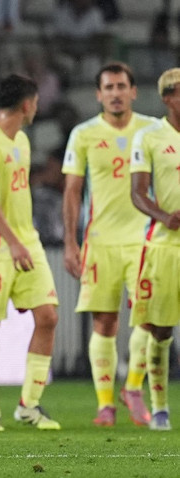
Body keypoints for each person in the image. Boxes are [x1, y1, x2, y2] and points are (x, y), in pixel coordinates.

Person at [61, 62, 158, 427]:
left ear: (134, 91)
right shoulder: (83, 134)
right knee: (104, 323)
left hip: (144, 240)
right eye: (109, 87)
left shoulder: (152, 130)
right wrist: (70, 242)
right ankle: (105, 404)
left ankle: (132, 387)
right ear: (98, 94)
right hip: (100, 241)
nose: (115, 93)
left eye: (121, 86)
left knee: (148, 320)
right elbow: (71, 192)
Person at [0, 74, 61, 432]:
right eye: (35, 102)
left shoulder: (21, 139)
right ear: (27, 104)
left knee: (48, 317)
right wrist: (13, 242)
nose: (36, 108)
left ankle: (29, 405)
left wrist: (23, 240)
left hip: (26, 240)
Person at [129, 67, 180, 432]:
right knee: (160, 330)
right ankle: (159, 406)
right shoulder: (149, 138)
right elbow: (137, 192)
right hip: (166, 247)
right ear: (168, 98)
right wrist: (164, 217)